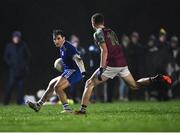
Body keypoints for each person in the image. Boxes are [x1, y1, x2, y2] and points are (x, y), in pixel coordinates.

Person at [75, 13, 172, 114]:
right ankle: (155, 78)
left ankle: (82, 111)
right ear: (103, 22)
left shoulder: (97, 33)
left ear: (93, 23)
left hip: (111, 65)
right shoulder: (111, 31)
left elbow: (105, 50)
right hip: (122, 62)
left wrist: (101, 68)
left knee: (89, 83)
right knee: (134, 85)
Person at [27, 29, 86, 113]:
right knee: (51, 84)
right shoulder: (62, 47)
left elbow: (78, 59)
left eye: (58, 38)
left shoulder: (68, 47)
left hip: (74, 71)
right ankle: (38, 105)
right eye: (54, 39)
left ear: (63, 38)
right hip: (68, 71)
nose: (56, 41)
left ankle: (67, 109)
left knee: (57, 87)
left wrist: (83, 73)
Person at [3, 31, 31, 105]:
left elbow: (28, 56)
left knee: (21, 88)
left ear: (20, 38)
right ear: (13, 38)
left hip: (22, 71)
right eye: (15, 37)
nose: (16, 39)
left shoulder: (23, 45)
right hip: (13, 71)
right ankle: (6, 101)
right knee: (9, 87)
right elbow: (6, 57)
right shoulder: (9, 46)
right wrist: (10, 64)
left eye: (18, 37)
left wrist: (24, 65)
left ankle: (20, 102)